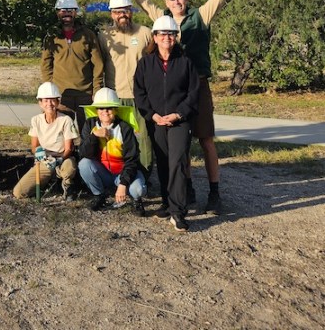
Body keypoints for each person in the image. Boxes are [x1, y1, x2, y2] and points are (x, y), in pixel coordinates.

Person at [116, 0, 264, 213]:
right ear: (166, 3)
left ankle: (215, 192)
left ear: (186, 0)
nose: (177, 1)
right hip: (172, 90)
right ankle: (187, 190)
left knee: (206, 139)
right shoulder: (161, 21)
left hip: (199, 86)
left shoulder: (200, 17)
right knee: (179, 144)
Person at [133, 16, 200, 232]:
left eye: (171, 34)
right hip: (156, 121)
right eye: (162, 34)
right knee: (162, 162)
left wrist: (178, 115)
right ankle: (167, 202)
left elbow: (193, 93)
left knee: (178, 162)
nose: (167, 37)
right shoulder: (145, 63)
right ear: (154, 36)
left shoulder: (185, 62)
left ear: (176, 37)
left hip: (179, 121)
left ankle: (178, 212)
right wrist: (152, 115)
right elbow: (139, 93)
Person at [97, 0, 153, 173]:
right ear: (112, 14)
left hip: (140, 96)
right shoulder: (105, 35)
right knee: (116, 138)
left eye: (126, 11)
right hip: (115, 97)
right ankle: (118, 176)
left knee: (144, 138)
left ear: (131, 11)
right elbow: (100, 64)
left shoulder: (145, 33)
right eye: (118, 12)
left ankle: (144, 175)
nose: (122, 15)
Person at [78, 87, 147, 216]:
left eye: (109, 108)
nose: (105, 111)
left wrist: (123, 183)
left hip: (122, 172)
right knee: (84, 164)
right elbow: (84, 153)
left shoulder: (125, 128)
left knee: (138, 190)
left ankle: (136, 200)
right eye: (101, 108)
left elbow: (132, 159)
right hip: (103, 172)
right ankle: (99, 195)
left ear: (116, 110)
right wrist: (94, 136)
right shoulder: (90, 124)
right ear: (96, 110)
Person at [41, 0, 104, 131]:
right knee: (62, 133)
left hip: (86, 94)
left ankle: (86, 153)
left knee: (89, 132)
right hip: (61, 94)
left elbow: (98, 64)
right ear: (58, 13)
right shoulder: (52, 36)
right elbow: (46, 64)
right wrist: (49, 91)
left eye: (70, 10)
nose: (66, 14)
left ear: (76, 12)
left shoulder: (88, 35)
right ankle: (67, 153)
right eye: (63, 10)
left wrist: (97, 89)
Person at [12, 82, 79, 201]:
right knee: (19, 192)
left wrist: (60, 159)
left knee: (69, 168)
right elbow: (34, 146)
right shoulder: (36, 120)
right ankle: (47, 182)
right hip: (45, 160)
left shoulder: (66, 120)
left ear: (58, 102)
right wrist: (40, 154)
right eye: (46, 100)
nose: (49, 104)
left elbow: (69, 148)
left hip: (63, 158)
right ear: (40, 103)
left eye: (53, 100)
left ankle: (67, 186)